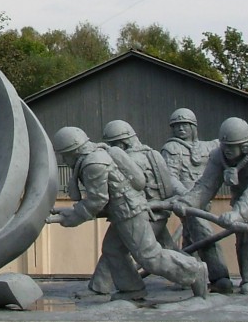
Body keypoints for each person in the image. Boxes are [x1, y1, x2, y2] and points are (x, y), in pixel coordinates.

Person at [50, 126, 208, 301]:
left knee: (149, 256)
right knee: (113, 249)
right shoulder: (95, 156)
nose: (64, 159)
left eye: (64, 155)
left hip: (129, 213)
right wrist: (68, 213)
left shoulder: (93, 163)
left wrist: (72, 218)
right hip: (122, 212)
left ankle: (194, 271)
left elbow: (97, 201)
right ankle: (131, 289)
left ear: (73, 151)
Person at [171, 116, 248, 296]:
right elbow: (206, 185)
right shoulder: (219, 155)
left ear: (244, 146)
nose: (227, 151)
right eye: (225, 146)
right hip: (241, 201)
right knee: (241, 240)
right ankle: (226, 278)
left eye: (232, 147)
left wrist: (237, 214)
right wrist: (187, 202)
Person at [87, 119, 179, 296]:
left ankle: (194, 272)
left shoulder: (127, 160)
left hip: (140, 214)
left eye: (113, 144)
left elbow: (120, 191)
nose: (112, 148)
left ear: (122, 142)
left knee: (116, 248)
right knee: (167, 248)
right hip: (156, 213)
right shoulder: (152, 154)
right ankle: (102, 286)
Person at [161, 108, 233, 294]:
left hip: (204, 197)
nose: (181, 129)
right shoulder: (171, 149)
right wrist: (187, 197)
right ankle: (220, 277)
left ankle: (186, 275)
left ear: (193, 126)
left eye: (185, 125)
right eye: (176, 126)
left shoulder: (208, 147)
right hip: (186, 199)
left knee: (191, 235)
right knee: (203, 232)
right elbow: (170, 177)